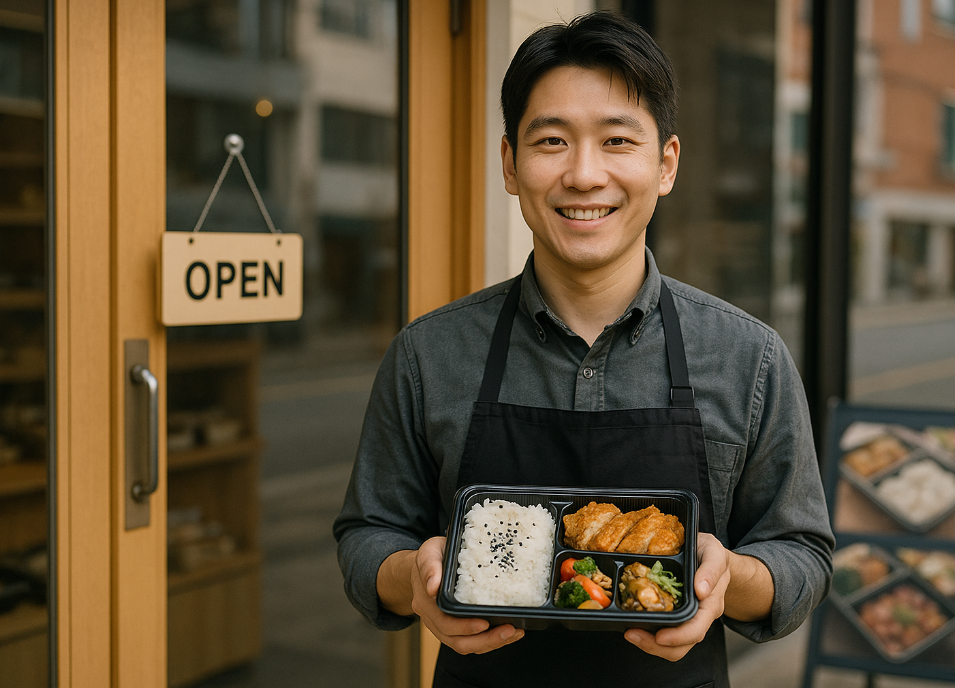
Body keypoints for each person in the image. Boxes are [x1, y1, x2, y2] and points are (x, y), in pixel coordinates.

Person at [334, 11, 833, 687]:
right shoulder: (428, 354)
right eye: (551, 141)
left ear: (666, 165)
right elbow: (368, 536)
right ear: (510, 164)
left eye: (618, 141)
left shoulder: (751, 357)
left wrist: (727, 580)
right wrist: (415, 578)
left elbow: (802, 555)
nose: (584, 174)